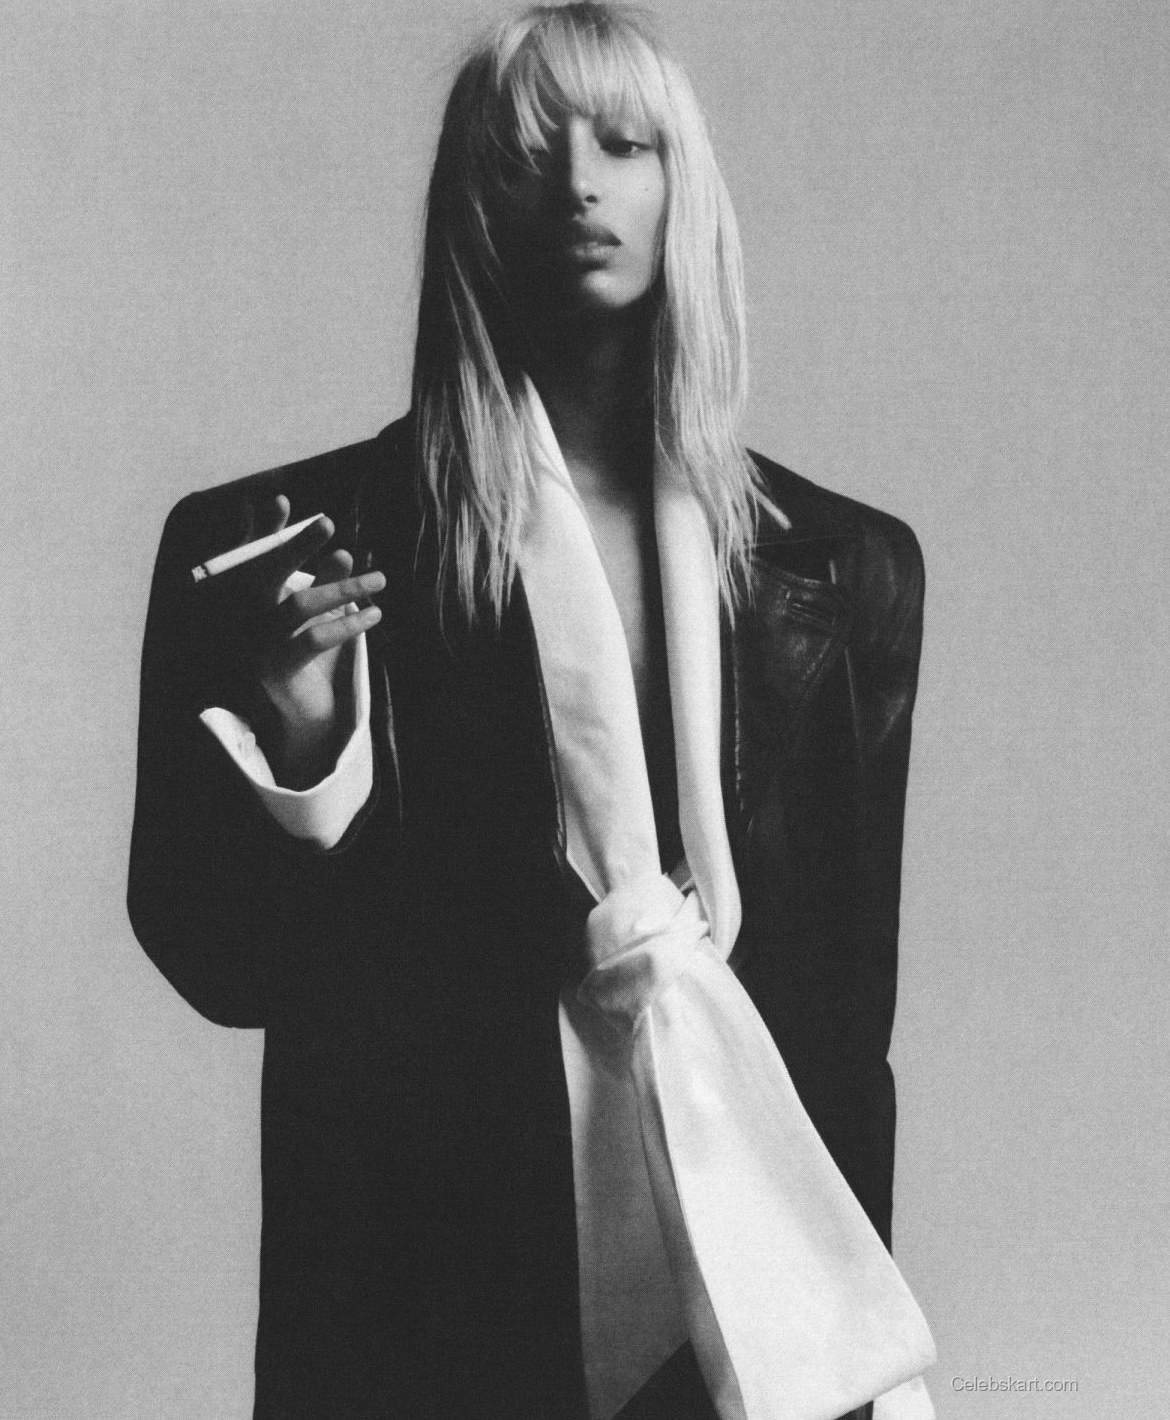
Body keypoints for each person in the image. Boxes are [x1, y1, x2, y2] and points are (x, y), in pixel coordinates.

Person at [128, 4, 934, 1417]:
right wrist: (309, 756)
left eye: (624, 144)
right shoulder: (287, 547)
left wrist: (843, 1360)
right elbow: (225, 966)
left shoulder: (846, 567)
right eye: (525, 152)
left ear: (685, 187)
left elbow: (844, 1027)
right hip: (425, 1296)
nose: (576, 184)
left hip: (747, 1284)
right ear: (468, 202)